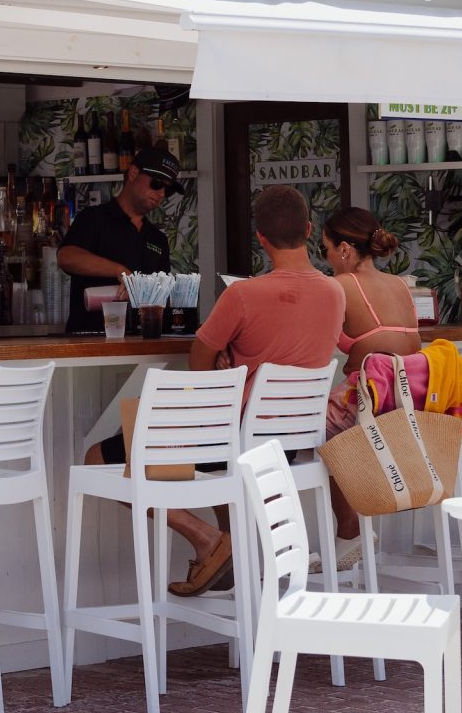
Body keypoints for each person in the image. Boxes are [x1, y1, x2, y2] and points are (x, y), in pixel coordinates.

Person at [83, 184, 346, 597]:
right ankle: (231, 547)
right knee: (207, 444)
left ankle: (207, 539)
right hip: (288, 445)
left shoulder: (243, 294)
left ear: (260, 238)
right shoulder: (335, 292)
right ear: (309, 230)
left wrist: (229, 360)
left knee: (98, 458)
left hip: (232, 444)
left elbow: (199, 361)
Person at [319, 205, 421, 549]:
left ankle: (348, 532)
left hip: (371, 406)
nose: (326, 258)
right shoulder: (400, 285)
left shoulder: (340, 285)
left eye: (325, 249)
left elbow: (315, 344)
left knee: (303, 427)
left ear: (344, 249)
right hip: (407, 407)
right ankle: (350, 532)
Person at [55, 143, 181, 332]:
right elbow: (66, 257)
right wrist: (118, 271)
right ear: (133, 173)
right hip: (90, 341)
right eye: (157, 183)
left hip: (141, 343)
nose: (161, 193)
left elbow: (161, 297)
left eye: (168, 190)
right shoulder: (94, 218)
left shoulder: (158, 239)